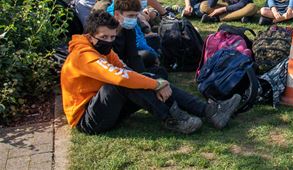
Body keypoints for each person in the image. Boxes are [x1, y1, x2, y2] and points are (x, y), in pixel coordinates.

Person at [60, 10, 241, 135]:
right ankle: (172, 119)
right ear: (90, 36)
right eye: (104, 37)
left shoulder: (104, 49)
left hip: (106, 107)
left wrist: (154, 80)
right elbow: (119, 77)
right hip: (88, 120)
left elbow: (125, 69)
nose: (109, 41)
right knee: (121, 84)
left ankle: (210, 111)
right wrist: (155, 84)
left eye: (112, 37)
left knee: (149, 76)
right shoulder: (82, 55)